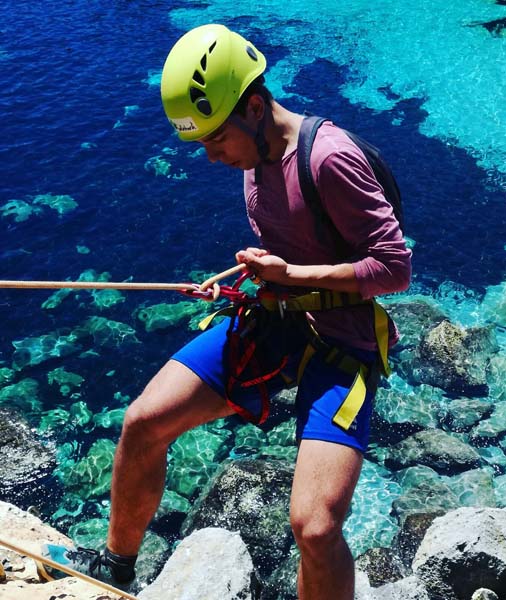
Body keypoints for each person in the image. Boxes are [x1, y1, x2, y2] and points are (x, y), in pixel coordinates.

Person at [41, 24, 412, 599]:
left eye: (216, 139)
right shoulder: (253, 160)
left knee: (315, 527)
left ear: (255, 107)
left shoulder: (329, 159)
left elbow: (393, 268)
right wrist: (254, 277)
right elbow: (295, 248)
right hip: (276, 321)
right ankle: (115, 566)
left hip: (344, 343)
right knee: (143, 422)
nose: (212, 156)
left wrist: (290, 276)